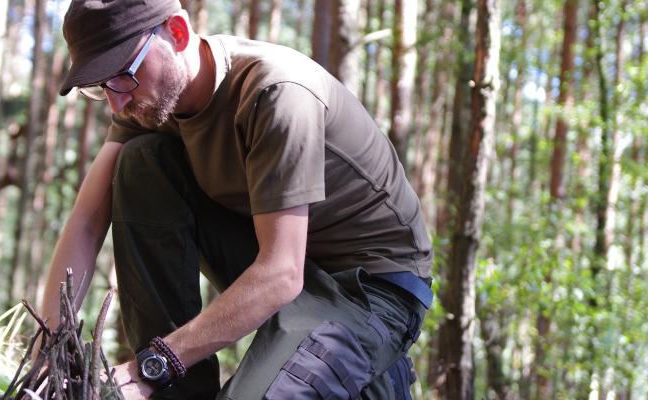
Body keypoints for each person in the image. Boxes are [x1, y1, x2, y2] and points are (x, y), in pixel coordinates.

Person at [39, 0, 434, 398]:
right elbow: (86, 223)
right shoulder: (144, 100)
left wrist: (153, 366)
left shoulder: (277, 93)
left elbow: (282, 273)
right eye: (100, 86)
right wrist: (46, 357)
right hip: (276, 257)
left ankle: (373, 372)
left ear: (177, 33)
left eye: (124, 74)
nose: (115, 102)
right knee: (139, 160)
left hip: (370, 289)